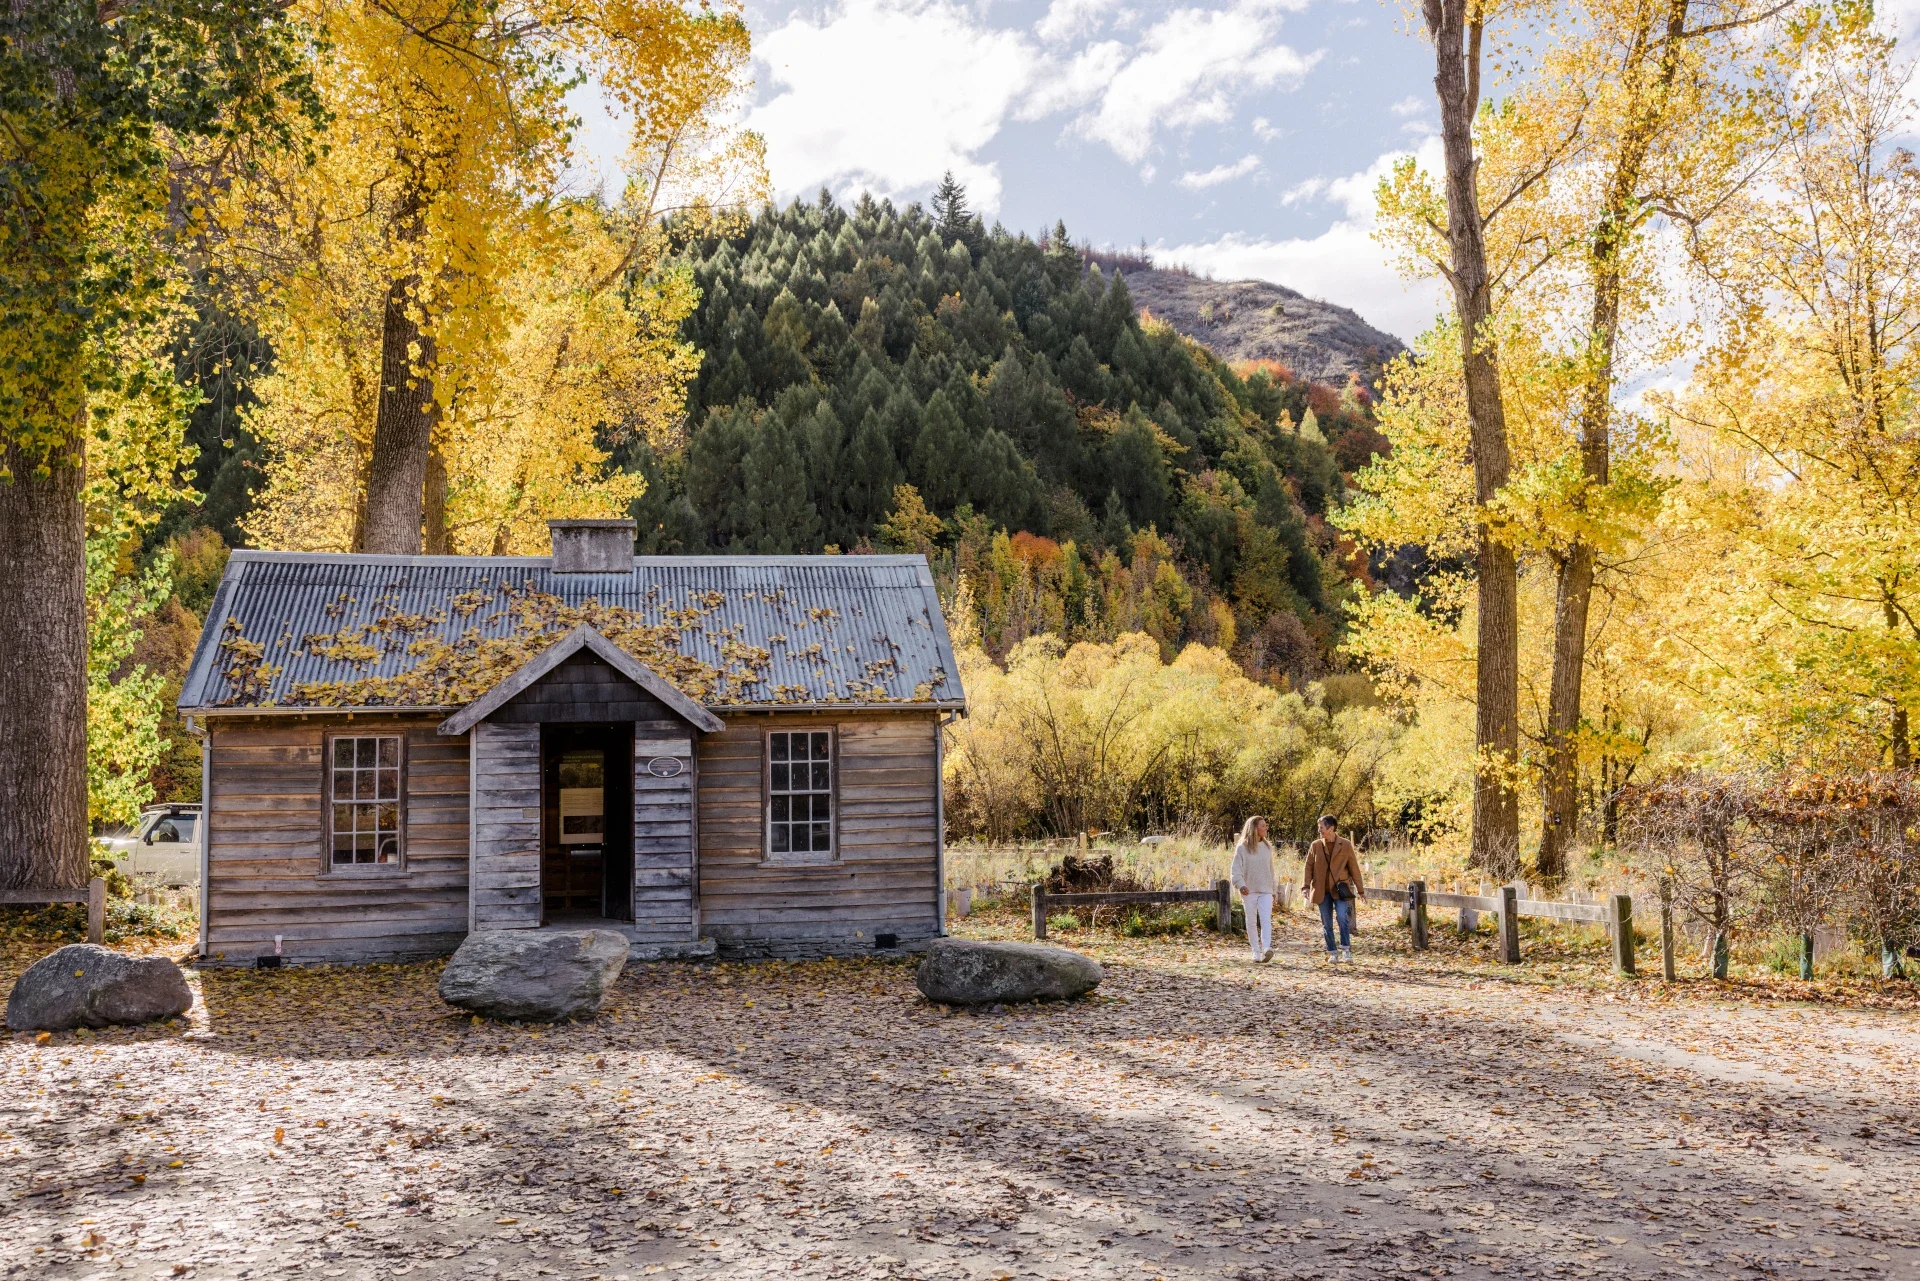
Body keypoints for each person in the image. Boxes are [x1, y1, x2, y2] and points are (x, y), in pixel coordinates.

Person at [1303, 814, 1364, 963]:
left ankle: (1346, 950)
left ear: (1331, 828)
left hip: (1339, 890)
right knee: (1327, 923)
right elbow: (1308, 867)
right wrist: (1305, 886)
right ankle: (1332, 952)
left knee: (1342, 917)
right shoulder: (1316, 845)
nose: (1319, 830)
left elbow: (1354, 868)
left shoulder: (1346, 845)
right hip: (1321, 890)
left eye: (1321, 828)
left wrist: (1361, 890)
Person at [1230, 816, 1277, 962]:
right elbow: (1236, 869)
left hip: (1266, 890)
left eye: (1266, 825)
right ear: (1254, 828)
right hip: (1249, 890)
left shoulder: (1267, 847)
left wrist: (1274, 889)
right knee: (1251, 921)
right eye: (1263, 826)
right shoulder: (1242, 848)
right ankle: (1255, 951)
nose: (1266, 828)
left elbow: (1271, 870)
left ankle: (1266, 948)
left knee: (1265, 919)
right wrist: (1240, 884)